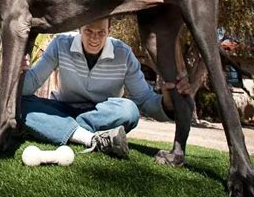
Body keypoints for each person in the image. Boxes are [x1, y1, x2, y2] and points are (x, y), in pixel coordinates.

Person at [19, 18, 190, 158]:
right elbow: (31, 84)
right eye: (88, 31)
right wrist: (17, 73)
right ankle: (91, 138)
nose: (95, 38)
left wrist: (167, 102)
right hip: (62, 109)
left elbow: (145, 100)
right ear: (79, 28)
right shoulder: (60, 44)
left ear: (109, 31)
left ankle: (55, 128)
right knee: (18, 102)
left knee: (129, 110)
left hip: (101, 115)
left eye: (101, 33)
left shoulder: (124, 54)